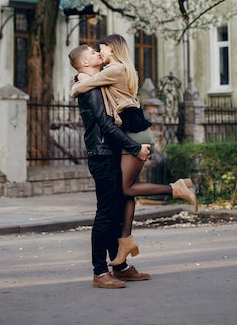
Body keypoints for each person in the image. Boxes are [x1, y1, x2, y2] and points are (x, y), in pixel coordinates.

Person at [70, 35, 198, 267]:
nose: (100, 52)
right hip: (117, 144)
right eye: (94, 51)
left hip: (129, 138)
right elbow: (104, 120)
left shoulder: (110, 72)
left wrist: (78, 80)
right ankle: (115, 258)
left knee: (122, 195)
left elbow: (89, 92)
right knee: (119, 200)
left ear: (113, 49)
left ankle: (174, 189)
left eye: (102, 49)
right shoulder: (108, 78)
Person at [68, 44, 152, 289]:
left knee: (114, 213)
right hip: (102, 155)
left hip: (109, 153)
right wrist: (135, 147)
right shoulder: (91, 90)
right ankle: (100, 272)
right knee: (105, 214)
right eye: (93, 53)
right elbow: (106, 125)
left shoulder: (97, 84)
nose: (98, 54)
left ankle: (120, 266)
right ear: (84, 63)